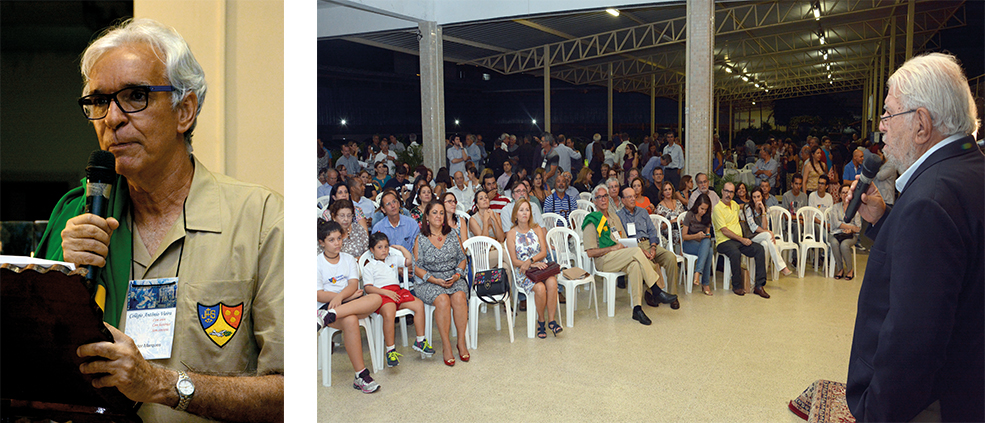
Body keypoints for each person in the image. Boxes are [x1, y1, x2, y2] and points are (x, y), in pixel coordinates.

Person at [35, 19, 282, 421]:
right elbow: (38, 373)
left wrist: (162, 385)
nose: (112, 118)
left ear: (185, 110)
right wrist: (66, 277)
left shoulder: (261, 219)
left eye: (135, 96)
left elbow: (291, 393)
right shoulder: (82, 219)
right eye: (99, 101)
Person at [844, 53, 984, 422]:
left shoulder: (930, 200)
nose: (881, 128)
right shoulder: (967, 171)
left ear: (921, 124)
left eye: (888, 114)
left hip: (933, 402)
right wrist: (882, 220)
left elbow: (912, 344)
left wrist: (876, 413)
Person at [583, 185, 674, 325]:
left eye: (605, 196)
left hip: (620, 256)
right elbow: (590, 252)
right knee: (637, 251)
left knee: (635, 265)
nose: (603, 199)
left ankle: (637, 309)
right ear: (594, 201)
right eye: (599, 197)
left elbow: (625, 241)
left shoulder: (614, 217)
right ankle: (656, 289)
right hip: (604, 260)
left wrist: (631, 249)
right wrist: (613, 248)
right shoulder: (591, 221)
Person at [315, 220, 382, 394]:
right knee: (351, 320)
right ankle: (361, 375)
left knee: (376, 298)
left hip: (345, 303)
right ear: (322, 242)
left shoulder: (348, 259)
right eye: (331, 240)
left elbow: (353, 285)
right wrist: (345, 297)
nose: (337, 243)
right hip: (327, 304)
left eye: (339, 238)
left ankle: (328, 316)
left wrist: (343, 297)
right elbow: (319, 294)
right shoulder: (316, 262)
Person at [361, 232, 434, 367]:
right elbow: (368, 288)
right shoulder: (369, 266)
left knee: (418, 304)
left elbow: (409, 261)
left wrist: (401, 248)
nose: (384, 250)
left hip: (397, 292)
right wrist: (385, 292)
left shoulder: (393, 259)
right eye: (379, 247)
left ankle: (420, 340)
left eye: (386, 246)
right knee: (389, 311)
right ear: (372, 250)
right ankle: (390, 350)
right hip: (381, 295)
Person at [413, 201, 470, 367]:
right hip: (429, 281)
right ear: (427, 217)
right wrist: (434, 280)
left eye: (441, 213)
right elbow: (417, 267)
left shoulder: (452, 234)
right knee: (443, 299)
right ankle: (446, 345)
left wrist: (457, 275)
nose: (438, 216)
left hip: (453, 277)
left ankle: (461, 342)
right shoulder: (421, 238)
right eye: (434, 213)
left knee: (459, 297)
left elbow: (462, 259)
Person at [506, 199, 562, 338]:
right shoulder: (511, 233)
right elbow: (514, 261)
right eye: (521, 210)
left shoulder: (536, 229)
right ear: (515, 214)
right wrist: (529, 265)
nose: (525, 213)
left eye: (527, 210)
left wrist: (532, 261)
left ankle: (551, 320)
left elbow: (543, 252)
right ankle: (541, 321)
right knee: (540, 288)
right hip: (523, 272)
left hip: (541, 267)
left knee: (552, 282)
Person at [616, 186, 680, 309]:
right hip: (634, 247)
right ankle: (651, 293)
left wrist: (653, 247)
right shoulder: (619, 216)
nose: (633, 199)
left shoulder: (643, 212)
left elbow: (652, 231)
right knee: (650, 264)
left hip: (649, 243)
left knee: (670, 257)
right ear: (623, 200)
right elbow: (621, 238)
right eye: (629, 197)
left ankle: (673, 295)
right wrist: (640, 250)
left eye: (634, 196)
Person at [712, 182, 768, 298]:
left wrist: (759, 206)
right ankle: (737, 286)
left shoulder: (735, 205)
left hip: (738, 240)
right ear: (722, 192)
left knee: (759, 249)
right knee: (735, 253)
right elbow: (725, 231)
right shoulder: (717, 209)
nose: (728, 194)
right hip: (724, 242)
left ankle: (759, 285)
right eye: (726, 191)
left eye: (731, 192)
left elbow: (747, 206)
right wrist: (742, 239)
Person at [742, 187, 793, 277]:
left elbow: (765, 226)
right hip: (751, 236)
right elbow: (753, 227)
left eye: (758, 196)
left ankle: (762, 274)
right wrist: (769, 232)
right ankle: (782, 267)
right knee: (768, 235)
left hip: (762, 236)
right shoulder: (748, 207)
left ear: (762, 196)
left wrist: (763, 212)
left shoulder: (767, 209)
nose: (756, 199)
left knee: (765, 244)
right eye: (754, 197)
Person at [681, 194, 715, 295]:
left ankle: (697, 272)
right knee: (709, 251)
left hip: (702, 244)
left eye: (705, 209)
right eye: (701, 209)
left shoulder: (707, 217)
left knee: (708, 245)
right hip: (689, 243)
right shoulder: (690, 215)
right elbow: (684, 236)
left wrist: (706, 235)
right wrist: (696, 236)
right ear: (697, 206)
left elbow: (708, 234)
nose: (703, 212)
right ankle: (705, 283)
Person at [827, 184, 860, 280]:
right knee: (834, 243)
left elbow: (858, 227)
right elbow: (836, 223)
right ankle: (840, 268)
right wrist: (851, 226)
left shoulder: (855, 208)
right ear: (839, 195)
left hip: (851, 235)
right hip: (835, 233)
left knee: (844, 245)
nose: (845, 195)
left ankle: (850, 270)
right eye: (843, 193)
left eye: (847, 192)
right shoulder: (835, 207)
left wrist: (851, 230)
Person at [654, 180, 685, 248]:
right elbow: (659, 227)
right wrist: (671, 222)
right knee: (680, 233)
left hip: (680, 227)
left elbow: (684, 216)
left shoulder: (678, 202)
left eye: (669, 189)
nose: (668, 191)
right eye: (665, 190)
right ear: (662, 192)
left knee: (687, 231)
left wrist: (680, 220)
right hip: (668, 231)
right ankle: (681, 252)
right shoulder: (660, 207)